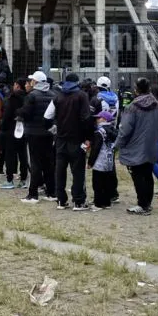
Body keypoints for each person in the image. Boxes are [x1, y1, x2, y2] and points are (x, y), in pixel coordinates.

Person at [44, 72, 92, 211]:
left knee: (60, 171)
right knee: (78, 171)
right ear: (77, 82)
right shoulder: (82, 96)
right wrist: (88, 137)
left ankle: (61, 200)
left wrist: (54, 130)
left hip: (60, 140)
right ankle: (78, 201)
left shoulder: (58, 96)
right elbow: (86, 118)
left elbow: (47, 117)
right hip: (77, 140)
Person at [116, 77, 158, 215]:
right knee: (148, 174)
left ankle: (142, 204)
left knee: (138, 176)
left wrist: (118, 144)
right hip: (151, 145)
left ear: (136, 89)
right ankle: (147, 203)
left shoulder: (132, 107)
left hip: (134, 146)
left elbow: (125, 129)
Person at [19, 72, 56, 203]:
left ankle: (33, 194)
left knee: (34, 163)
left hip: (33, 133)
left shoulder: (32, 96)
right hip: (48, 133)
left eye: (32, 80)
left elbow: (26, 113)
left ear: (35, 82)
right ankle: (51, 193)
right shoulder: (53, 95)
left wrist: (19, 113)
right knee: (48, 163)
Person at [0, 78, 28, 189]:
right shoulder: (28, 97)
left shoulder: (12, 98)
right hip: (24, 130)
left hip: (11, 130)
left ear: (17, 86)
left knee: (10, 155)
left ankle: (9, 180)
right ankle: (23, 180)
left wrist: (2, 127)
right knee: (23, 155)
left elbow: (7, 115)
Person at [89, 110, 118, 210]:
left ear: (104, 119)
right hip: (109, 161)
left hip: (99, 161)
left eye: (99, 118)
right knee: (107, 182)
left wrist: (90, 162)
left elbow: (95, 149)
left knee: (97, 183)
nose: (97, 119)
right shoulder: (113, 130)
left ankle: (98, 204)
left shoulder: (100, 132)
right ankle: (107, 202)